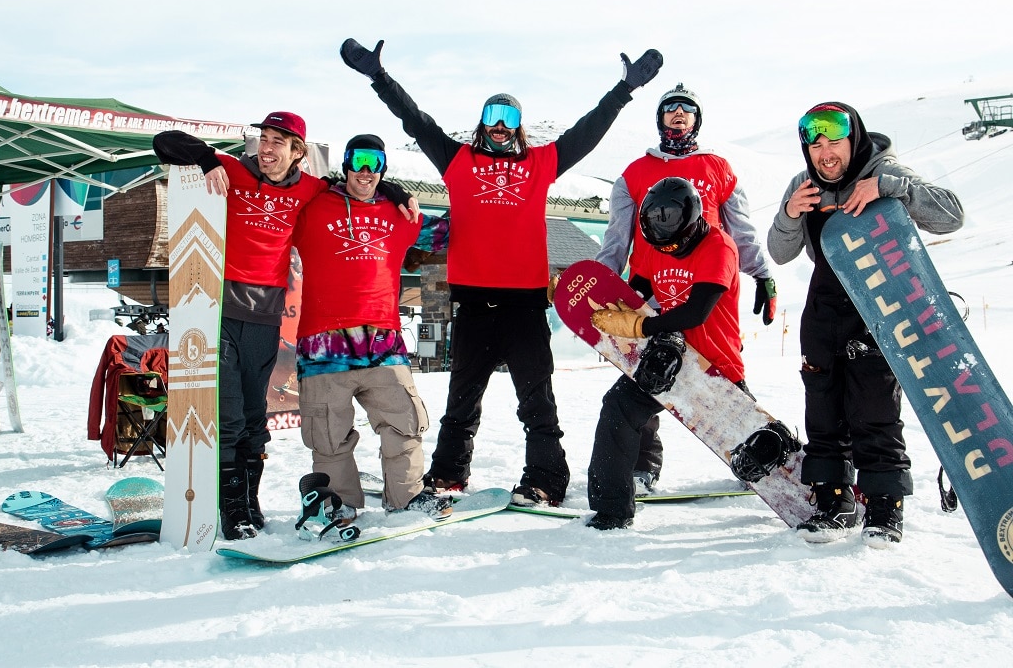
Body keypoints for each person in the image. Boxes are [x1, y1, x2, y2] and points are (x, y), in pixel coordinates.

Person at [340, 36, 663, 507]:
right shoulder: (457, 162)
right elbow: (416, 120)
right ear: (481, 124)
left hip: (524, 305)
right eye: (491, 116)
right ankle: (448, 475)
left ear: (518, 128)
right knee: (461, 403)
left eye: (508, 117)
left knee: (538, 402)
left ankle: (546, 479)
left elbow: (585, 132)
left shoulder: (540, 164)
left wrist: (623, 90)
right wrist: (379, 78)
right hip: (472, 304)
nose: (498, 125)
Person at [153, 113, 416, 540]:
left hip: (265, 315)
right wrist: (206, 159)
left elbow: (358, 181)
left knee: (256, 417)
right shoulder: (234, 169)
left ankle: (250, 506)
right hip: (219, 310)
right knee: (232, 416)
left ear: (299, 153)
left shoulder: (312, 188)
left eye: (280, 142)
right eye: (265, 139)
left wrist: (392, 186)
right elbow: (165, 141)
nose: (268, 148)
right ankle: (232, 511)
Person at [767, 102, 964, 545]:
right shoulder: (803, 184)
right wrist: (789, 215)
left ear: (853, 139)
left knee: (874, 408)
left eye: (834, 141)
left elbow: (952, 215)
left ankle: (883, 508)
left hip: (879, 307)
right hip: (823, 307)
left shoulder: (885, 170)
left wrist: (895, 189)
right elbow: (779, 253)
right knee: (823, 410)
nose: (826, 153)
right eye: (816, 146)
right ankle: (834, 503)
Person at [594, 82, 776, 495]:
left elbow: (741, 229)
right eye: (670, 108)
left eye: (687, 109)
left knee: (717, 366)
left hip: (706, 282)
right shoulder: (635, 173)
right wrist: (605, 287)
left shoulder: (718, 166)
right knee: (648, 371)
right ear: (659, 119)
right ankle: (642, 466)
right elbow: (616, 238)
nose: (678, 114)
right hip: (651, 282)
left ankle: (753, 453)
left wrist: (762, 273)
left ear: (697, 119)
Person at [291, 134, 451, 524]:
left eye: (375, 162)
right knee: (329, 435)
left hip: (384, 342)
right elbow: (274, 193)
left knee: (405, 423)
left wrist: (404, 193)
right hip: (323, 344)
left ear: (383, 168)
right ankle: (339, 505)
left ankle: (407, 498)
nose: (366, 170)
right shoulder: (311, 206)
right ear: (345, 163)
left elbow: (454, 229)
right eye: (358, 160)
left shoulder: (401, 214)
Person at [585, 177, 749, 529]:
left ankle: (815, 483)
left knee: (751, 442)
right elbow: (634, 292)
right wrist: (590, 302)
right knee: (618, 407)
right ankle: (610, 510)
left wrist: (638, 327)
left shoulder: (719, 246)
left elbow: (696, 312)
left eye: (676, 244)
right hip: (668, 353)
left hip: (714, 364)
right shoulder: (653, 245)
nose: (669, 250)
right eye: (663, 245)